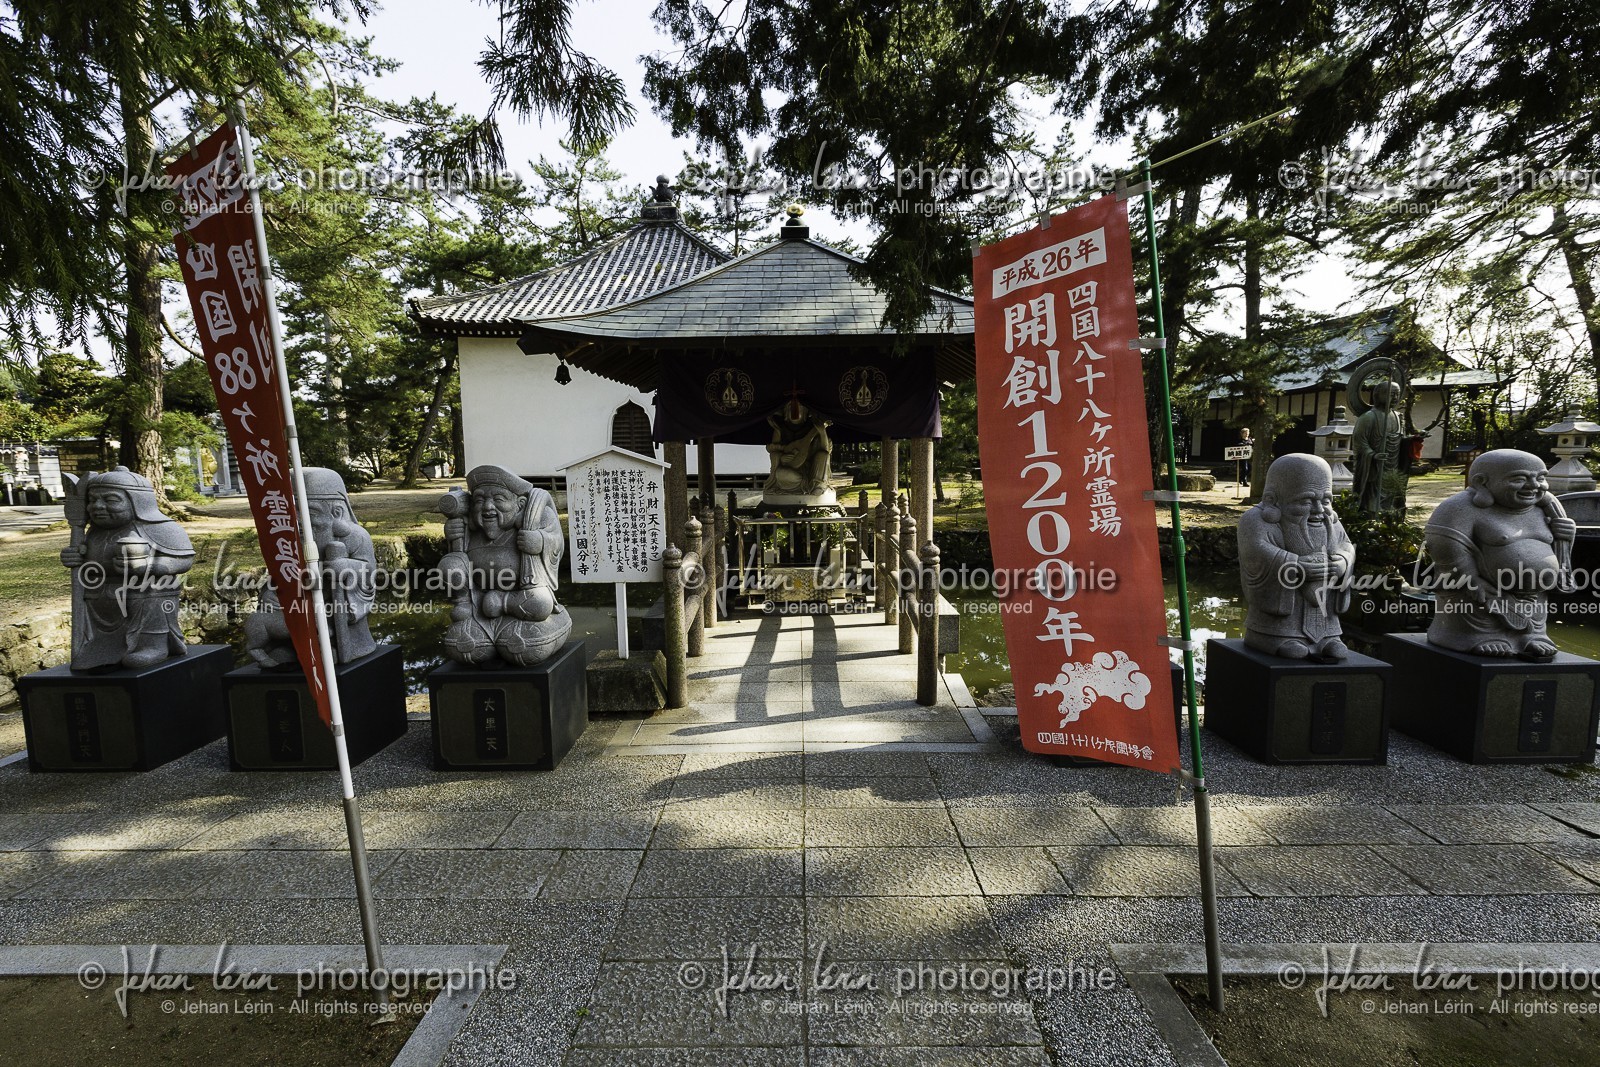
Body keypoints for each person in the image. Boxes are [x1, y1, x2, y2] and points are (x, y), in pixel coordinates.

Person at [1424, 449, 1575, 660]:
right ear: (1482, 482)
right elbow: (1445, 547)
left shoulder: (1543, 508)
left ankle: (1532, 635)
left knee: (1534, 613)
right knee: (1472, 606)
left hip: (1534, 595)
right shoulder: (1460, 508)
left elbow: (1556, 552)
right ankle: (1478, 636)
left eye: (1540, 478)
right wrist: (1472, 579)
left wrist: (1566, 536)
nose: (1534, 485)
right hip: (1480, 597)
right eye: (1519, 479)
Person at [60, 466, 195, 670]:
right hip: (102, 594)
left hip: (144, 591)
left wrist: (148, 565)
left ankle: (154, 645)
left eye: (110, 500)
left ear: (137, 501)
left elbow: (183, 561)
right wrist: (74, 557)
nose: (98, 506)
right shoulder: (93, 533)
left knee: (151, 588)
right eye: (93, 500)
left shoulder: (163, 528)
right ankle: (99, 646)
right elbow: (86, 562)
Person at [437, 464, 572, 667]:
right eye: (480, 500)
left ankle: (504, 605)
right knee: (463, 646)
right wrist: (454, 537)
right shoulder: (469, 524)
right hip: (478, 605)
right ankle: (470, 611)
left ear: (520, 503)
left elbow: (556, 542)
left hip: (521, 600)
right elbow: (457, 564)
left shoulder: (536, 515)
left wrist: (540, 541)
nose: (488, 507)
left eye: (498, 499)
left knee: (537, 609)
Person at [244, 468, 378, 668]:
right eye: (292, 510)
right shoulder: (288, 535)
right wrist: (274, 589)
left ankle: (335, 645)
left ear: (337, 512)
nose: (298, 519)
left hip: (333, 598)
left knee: (327, 615)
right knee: (277, 608)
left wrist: (346, 566)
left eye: (309, 512)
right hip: (300, 594)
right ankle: (291, 647)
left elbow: (369, 571)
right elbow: (282, 568)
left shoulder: (355, 536)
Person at [1237, 454, 1354, 661]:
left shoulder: (1330, 520)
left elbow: (1346, 545)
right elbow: (1256, 550)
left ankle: (1326, 638)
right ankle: (1270, 637)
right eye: (1306, 501)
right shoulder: (1255, 519)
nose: (1318, 509)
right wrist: (1295, 565)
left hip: (1324, 609)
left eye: (1326, 500)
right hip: (1276, 622)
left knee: (1335, 649)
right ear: (1274, 499)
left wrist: (1342, 562)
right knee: (1292, 650)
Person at [763, 400, 833, 499]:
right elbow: (773, 449)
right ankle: (802, 484)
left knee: (823, 455)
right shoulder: (780, 430)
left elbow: (826, 451)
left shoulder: (814, 427)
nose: (795, 411)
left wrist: (822, 432)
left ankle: (818, 485)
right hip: (790, 473)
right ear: (786, 412)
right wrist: (782, 458)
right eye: (790, 408)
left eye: (799, 407)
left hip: (811, 471)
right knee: (780, 473)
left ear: (805, 412)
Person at [1353, 381, 1404, 513]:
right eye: (1391, 394)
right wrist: (1373, 454)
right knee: (1373, 494)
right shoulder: (1369, 417)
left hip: (1393, 464)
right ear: (1377, 395)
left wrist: (1415, 439)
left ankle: (1388, 516)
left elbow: (1401, 439)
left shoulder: (1398, 416)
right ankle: (1371, 515)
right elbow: (1360, 441)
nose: (1395, 398)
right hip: (1374, 467)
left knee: (1391, 490)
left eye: (1397, 394)